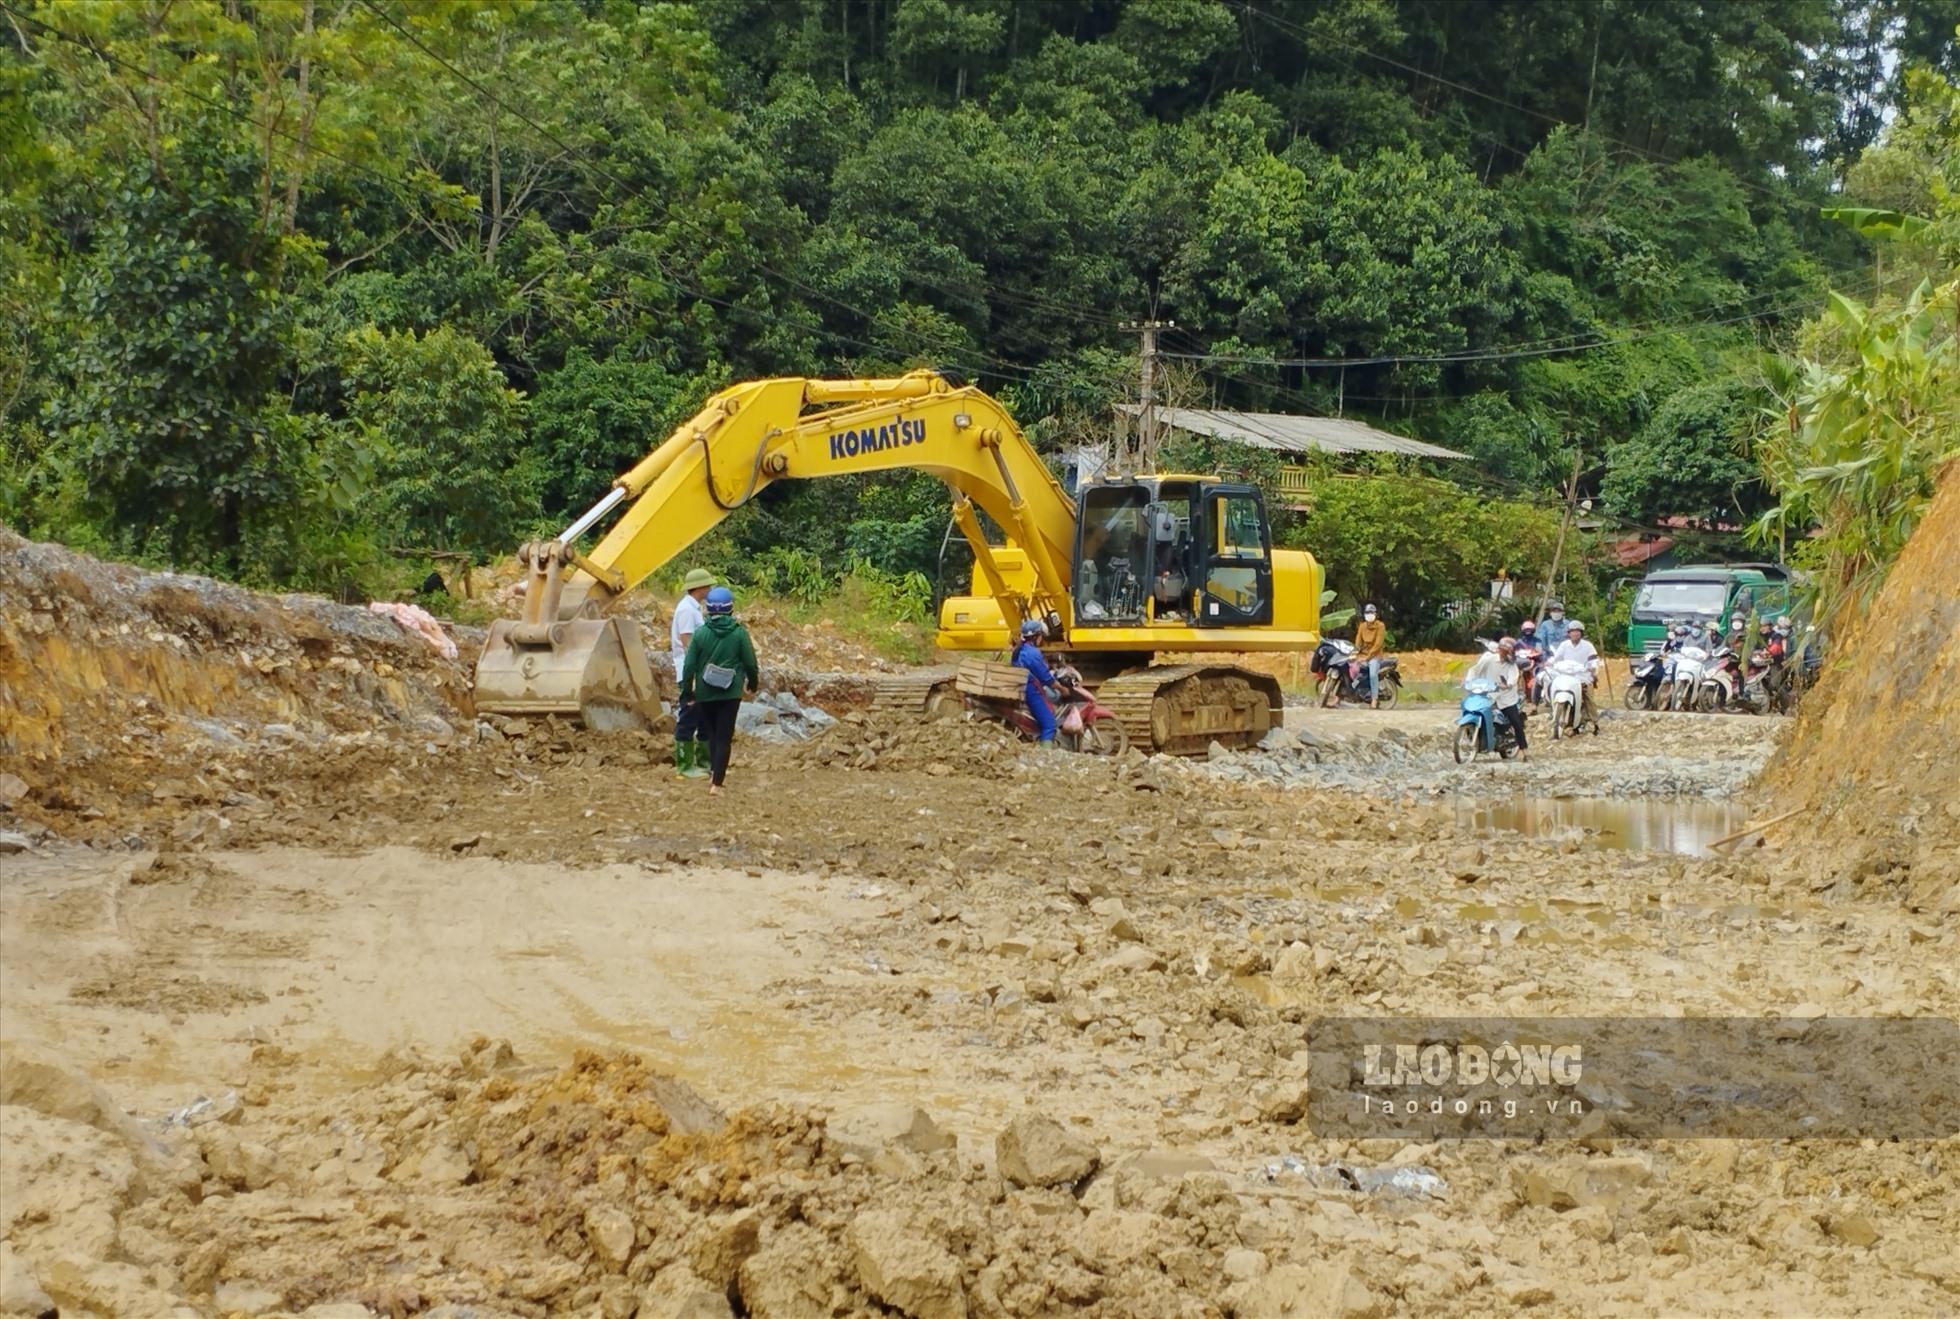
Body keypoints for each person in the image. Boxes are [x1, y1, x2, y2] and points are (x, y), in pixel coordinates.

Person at [680, 586, 759, 796]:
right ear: (730, 609)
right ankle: (717, 782)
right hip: (730, 693)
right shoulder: (740, 633)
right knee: (724, 736)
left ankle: (713, 771)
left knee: (712, 734)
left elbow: (689, 666)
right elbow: (750, 662)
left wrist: (687, 691)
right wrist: (753, 683)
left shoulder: (700, 634)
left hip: (705, 692)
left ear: (709, 609)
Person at [670, 567, 716, 778]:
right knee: (689, 716)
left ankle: (704, 762)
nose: (710, 588)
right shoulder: (687, 611)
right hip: (691, 671)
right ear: (699, 587)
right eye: (708, 585)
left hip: (698, 670)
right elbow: (687, 641)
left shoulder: (693, 608)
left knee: (704, 716)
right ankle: (685, 765)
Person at [1465, 636, 1528, 760]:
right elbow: (1474, 670)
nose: (1502, 653)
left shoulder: (1512, 666)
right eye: (1502, 650)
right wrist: (1468, 681)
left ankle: (1524, 750)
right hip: (1488, 695)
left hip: (1506, 698)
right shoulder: (1488, 660)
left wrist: (1507, 685)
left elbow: (1512, 679)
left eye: (1506, 651)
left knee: (1516, 722)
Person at [1012, 617, 1059, 744]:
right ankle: (1045, 758)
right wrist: (1060, 687)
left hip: (1022, 687)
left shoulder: (1019, 650)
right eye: (1041, 636)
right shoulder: (1033, 653)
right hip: (1031, 691)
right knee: (1050, 725)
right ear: (1036, 636)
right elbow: (1045, 677)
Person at [1550, 620, 1602, 728]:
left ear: (1581, 633)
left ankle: (1595, 721)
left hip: (1582, 676)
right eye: (1572, 631)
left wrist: (1592, 670)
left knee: (1588, 697)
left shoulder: (1588, 646)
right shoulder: (1564, 645)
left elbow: (1593, 661)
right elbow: (1556, 658)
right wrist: (1549, 663)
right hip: (1567, 676)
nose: (1575, 634)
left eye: (1577, 631)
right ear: (1569, 633)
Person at [1353, 603, 1387, 708]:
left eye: (1371, 612)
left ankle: (1374, 699)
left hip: (1375, 656)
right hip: (1363, 655)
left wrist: (1368, 657)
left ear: (1375, 614)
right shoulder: (1362, 626)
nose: (1369, 615)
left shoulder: (1380, 626)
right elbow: (1358, 641)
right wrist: (1354, 653)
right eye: (1367, 613)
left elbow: (1378, 644)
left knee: (1373, 675)